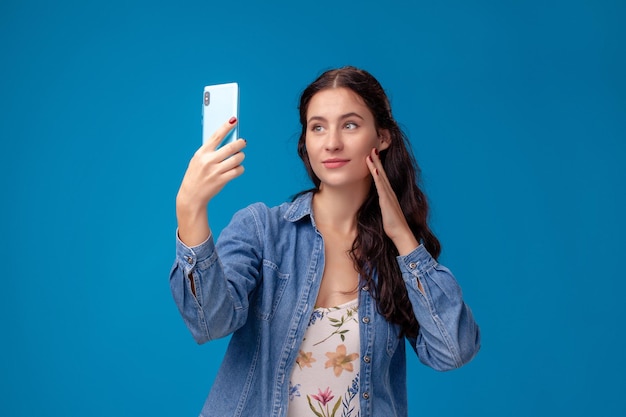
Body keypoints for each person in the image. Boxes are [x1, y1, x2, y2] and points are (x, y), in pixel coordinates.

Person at [170, 66, 480, 417]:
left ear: (382, 137)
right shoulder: (263, 230)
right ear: (306, 141)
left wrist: (404, 240)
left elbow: (453, 352)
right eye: (318, 127)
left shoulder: (400, 255)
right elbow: (210, 323)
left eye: (350, 125)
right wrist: (190, 210)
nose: (332, 142)